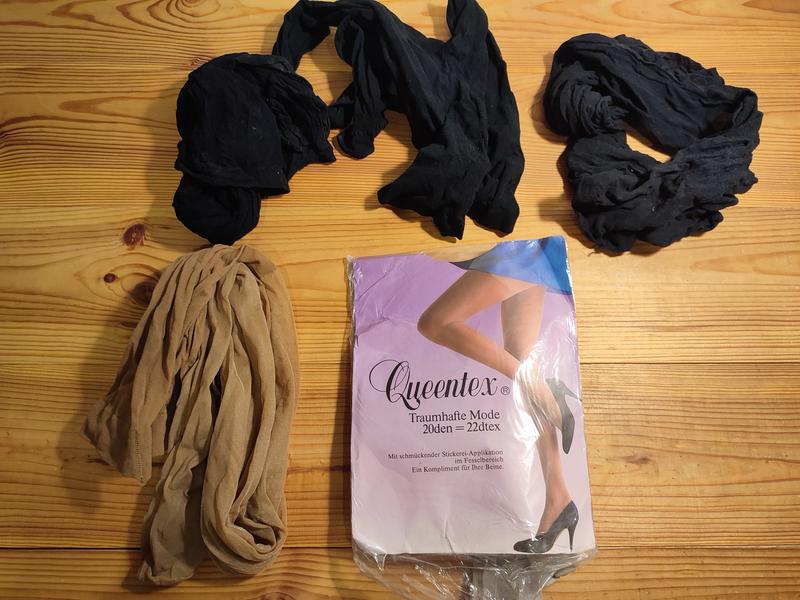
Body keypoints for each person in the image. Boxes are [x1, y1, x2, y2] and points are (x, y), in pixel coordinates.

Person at [417, 238, 580, 553]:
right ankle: (559, 498)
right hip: (528, 247)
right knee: (520, 354)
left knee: (436, 323)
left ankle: (540, 388)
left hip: (517, 249)